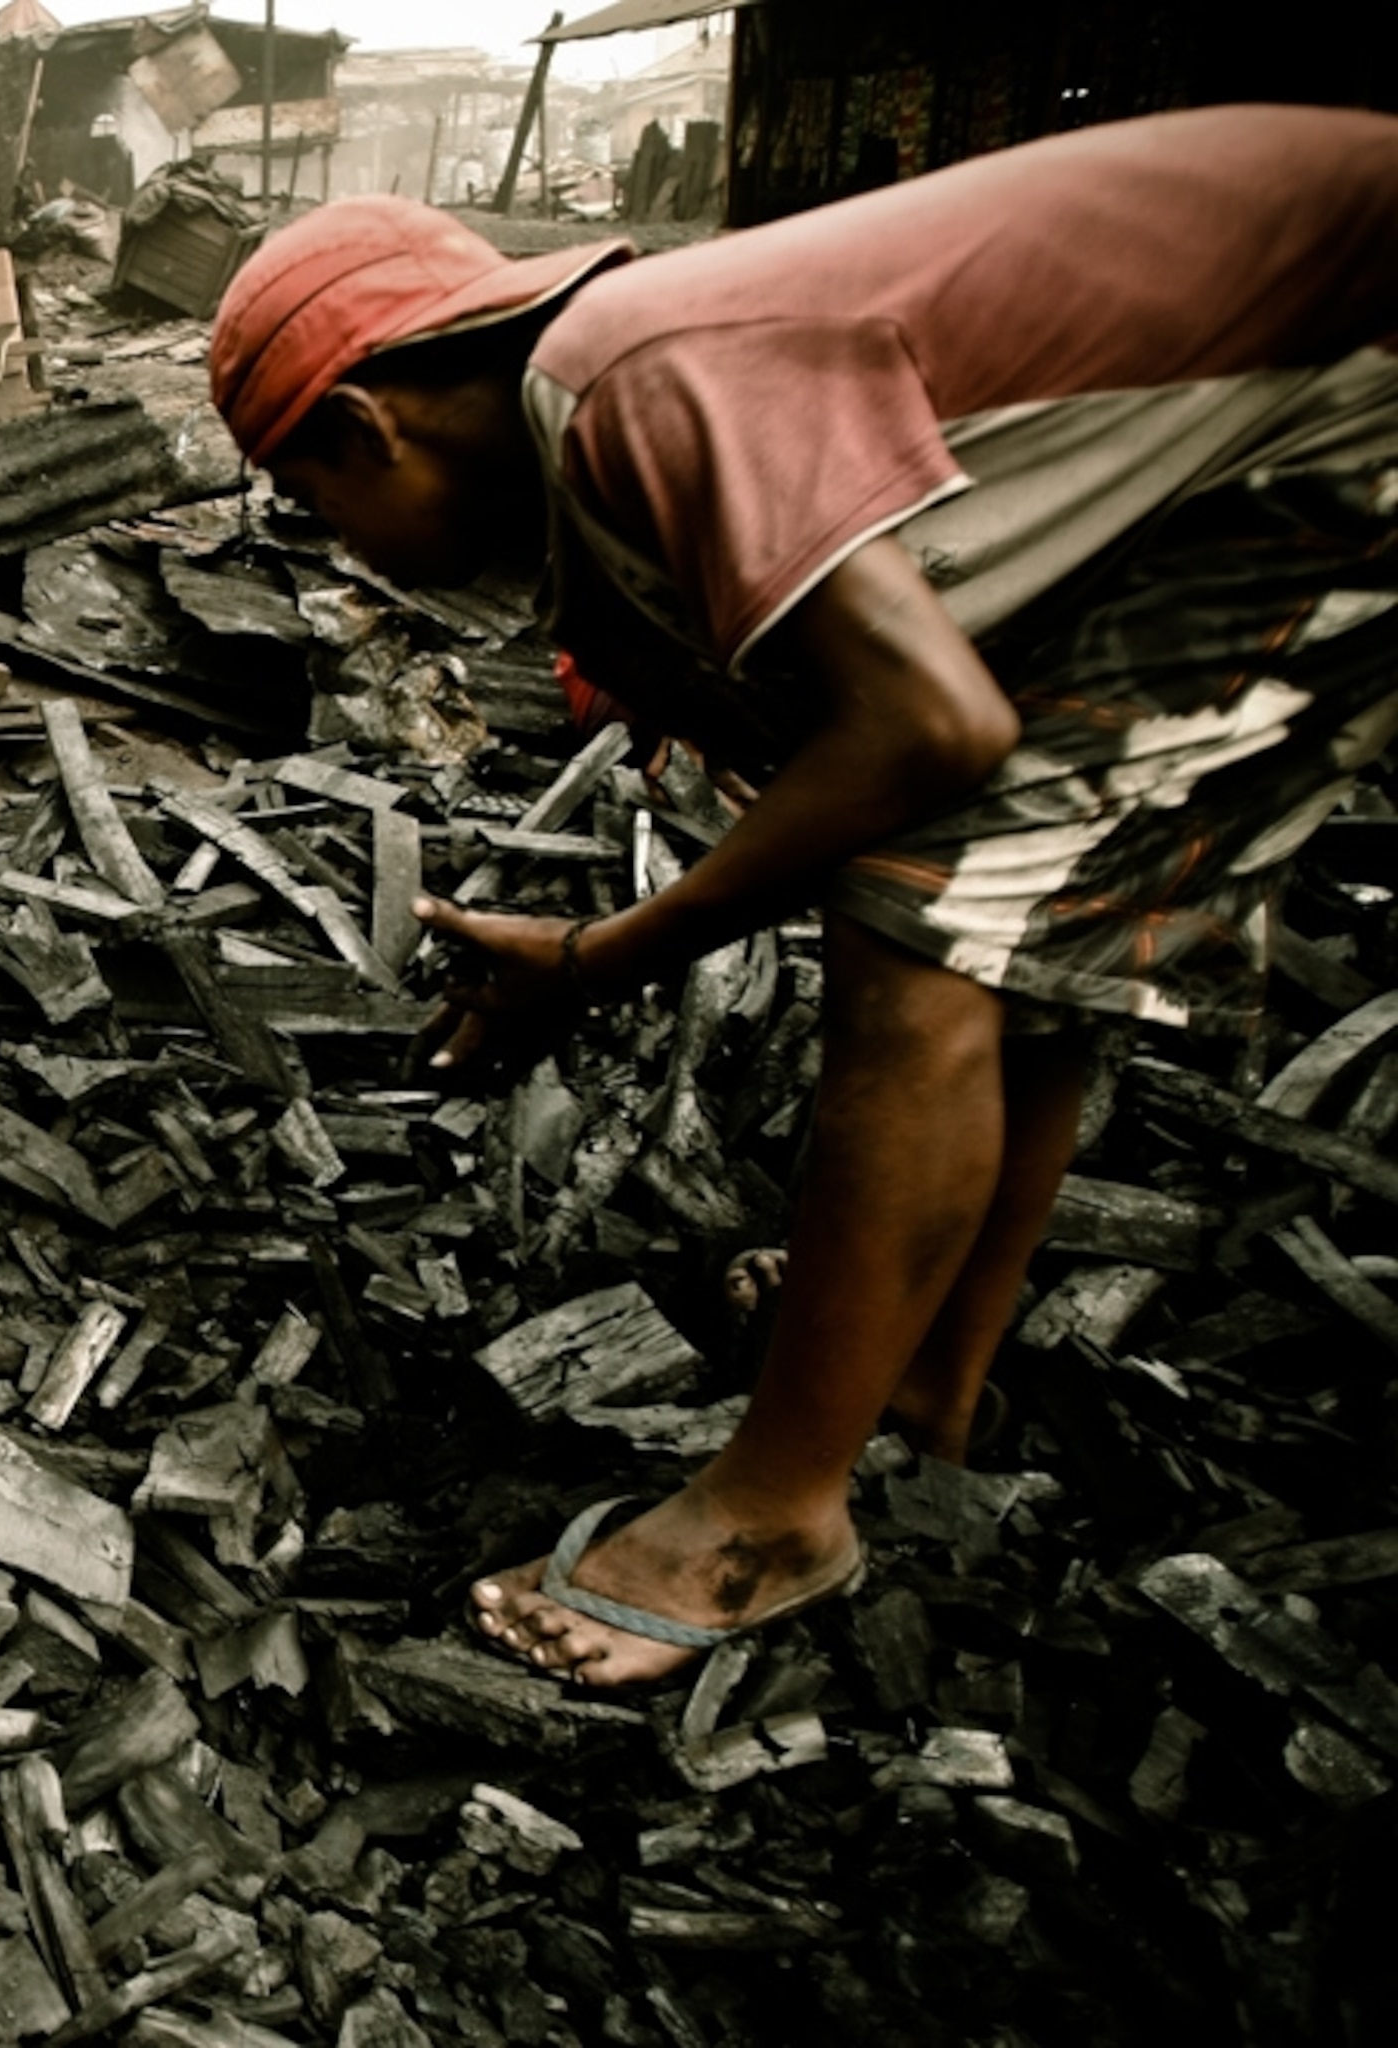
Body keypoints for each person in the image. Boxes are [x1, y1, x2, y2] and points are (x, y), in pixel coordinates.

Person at [208, 104, 1398, 1686]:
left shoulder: (630, 376)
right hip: (1292, 414)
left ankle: (779, 1510)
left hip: (1351, 407)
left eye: (314, 501)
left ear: (370, 426)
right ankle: (924, 1385)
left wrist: (604, 950)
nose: (334, 547)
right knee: (999, 922)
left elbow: (925, 730)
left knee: (919, 933)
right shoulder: (626, 383)